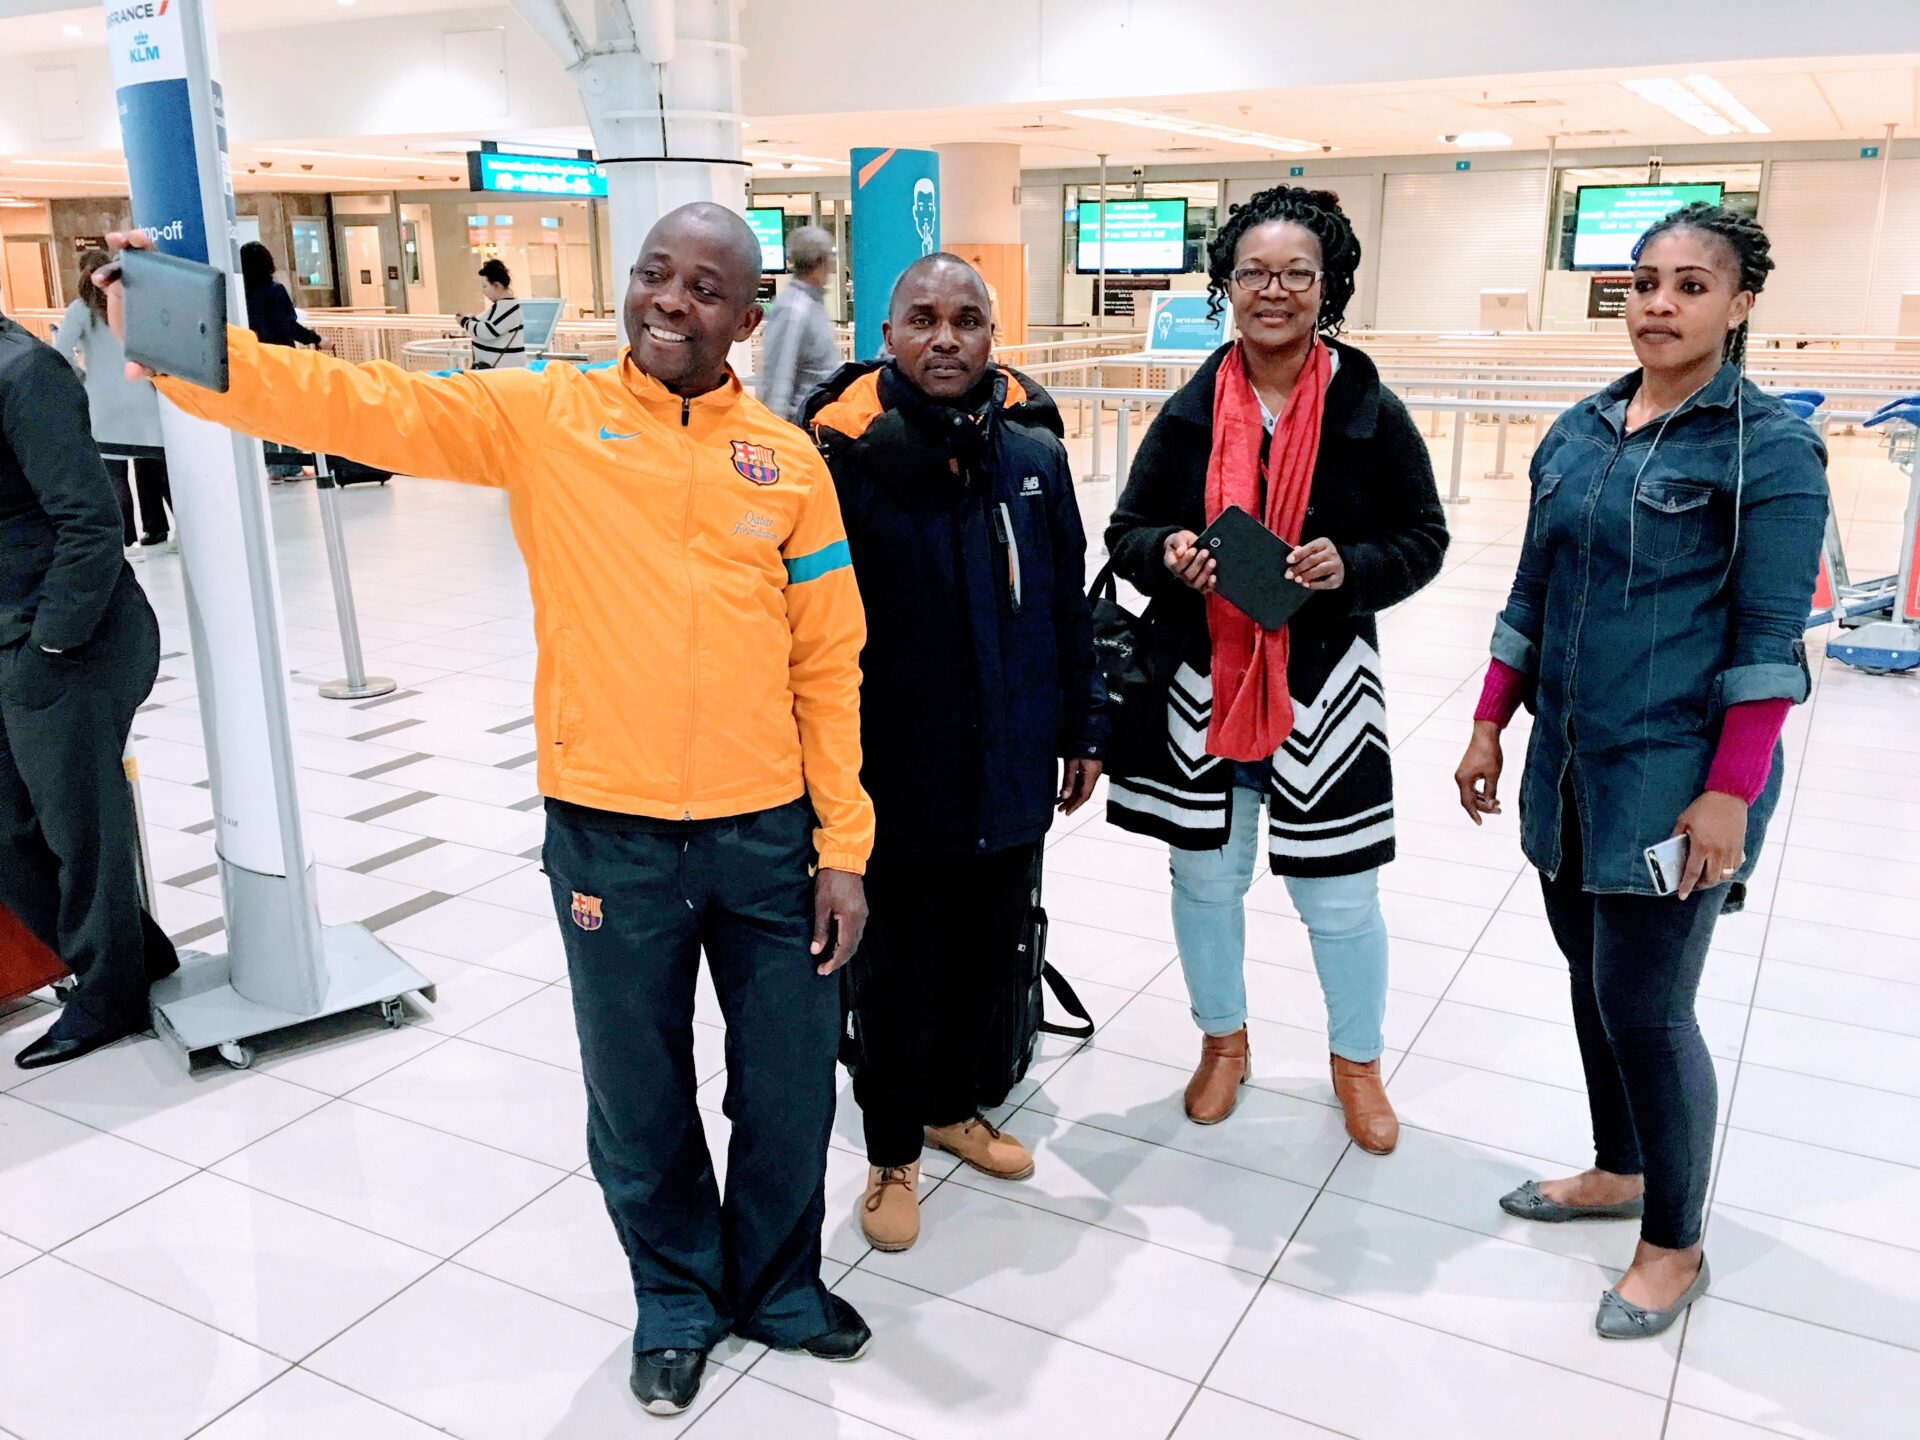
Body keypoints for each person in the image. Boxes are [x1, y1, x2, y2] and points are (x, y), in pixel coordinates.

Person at [101, 202, 875, 1416]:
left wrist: (845, 848)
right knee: (639, 1091)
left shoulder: (788, 463)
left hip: (768, 833)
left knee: (787, 1085)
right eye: (654, 275)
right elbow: (353, 406)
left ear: (748, 312)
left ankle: (778, 1286)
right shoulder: (545, 416)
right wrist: (174, 332)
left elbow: (830, 667)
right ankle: (674, 1296)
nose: (670, 301)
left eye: (704, 287)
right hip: (608, 833)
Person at [1454, 203, 1826, 1340]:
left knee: (1649, 1009)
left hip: (1675, 779)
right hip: (1567, 766)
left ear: (1741, 303)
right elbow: (1530, 594)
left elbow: (1768, 643)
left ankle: (1675, 1244)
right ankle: (1618, 1169)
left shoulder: (1770, 450)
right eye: (1643, 283)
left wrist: (1730, 791)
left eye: (1690, 286)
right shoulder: (1582, 429)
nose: (1658, 305)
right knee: (1589, 977)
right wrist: (1487, 723)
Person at [1104, 186, 1447, 1146]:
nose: (1275, 291)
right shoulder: (1190, 410)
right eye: (1255, 271)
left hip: (1324, 688)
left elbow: (1424, 539)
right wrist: (1169, 552)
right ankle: (1223, 1044)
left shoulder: (1368, 409)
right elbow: (1126, 533)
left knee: (1340, 895)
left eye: (1299, 274)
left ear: (1327, 287)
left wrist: (1353, 567)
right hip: (1201, 685)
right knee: (1206, 881)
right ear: (1228, 283)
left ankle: (1358, 1064)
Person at [807, 253, 1107, 1252]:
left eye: (968, 320)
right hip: (895, 774)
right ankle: (893, 1149)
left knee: (991, 957)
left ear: (992, 336)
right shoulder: (842, 463)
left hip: (1012, 766)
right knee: (896, 974)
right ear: (887, 333)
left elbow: (1069, 605)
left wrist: (1083, 728)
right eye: (924, 319)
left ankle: (954, 1107)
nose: (947, 339)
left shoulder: (1032, 455)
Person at [0, 305, 178, 1070]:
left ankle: (112, 993)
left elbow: (91, 523)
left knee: (83, 829)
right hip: (16, 632)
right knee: (11, 828)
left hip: (71, 638)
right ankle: (137, 952)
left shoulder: (22, 372)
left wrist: (49, 644)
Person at [54, 248, 171, 547]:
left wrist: (83, 377)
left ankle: (124, 536)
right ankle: (156, 528)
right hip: (143, 394)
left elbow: (60, 354)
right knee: (153, 467)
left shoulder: (79, 310)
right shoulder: (130, 304)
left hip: (104, 401)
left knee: (114, 473)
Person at [240, 242, 324, 479]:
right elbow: (287, 325)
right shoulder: (274, 290)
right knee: (290, 412)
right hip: (281, 361)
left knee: (264, 414)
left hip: (254, 359)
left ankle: (273, 467)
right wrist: (315, 338)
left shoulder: (240, 293)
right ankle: (293, 463)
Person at [757, 226, 839, 425]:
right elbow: (778, 379)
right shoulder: (794, 310)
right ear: (821, 261)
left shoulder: (811, 304)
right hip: (799, 427)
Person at [458, 258, 527, 370]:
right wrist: (468, 320)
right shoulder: (501, 306)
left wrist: (465, 322)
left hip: (506, 374)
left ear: (497, 285)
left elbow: (489, 330)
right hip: (499, 372)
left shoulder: (508, 307)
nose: (483, 291)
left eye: (485, 286)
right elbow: (481, 320)